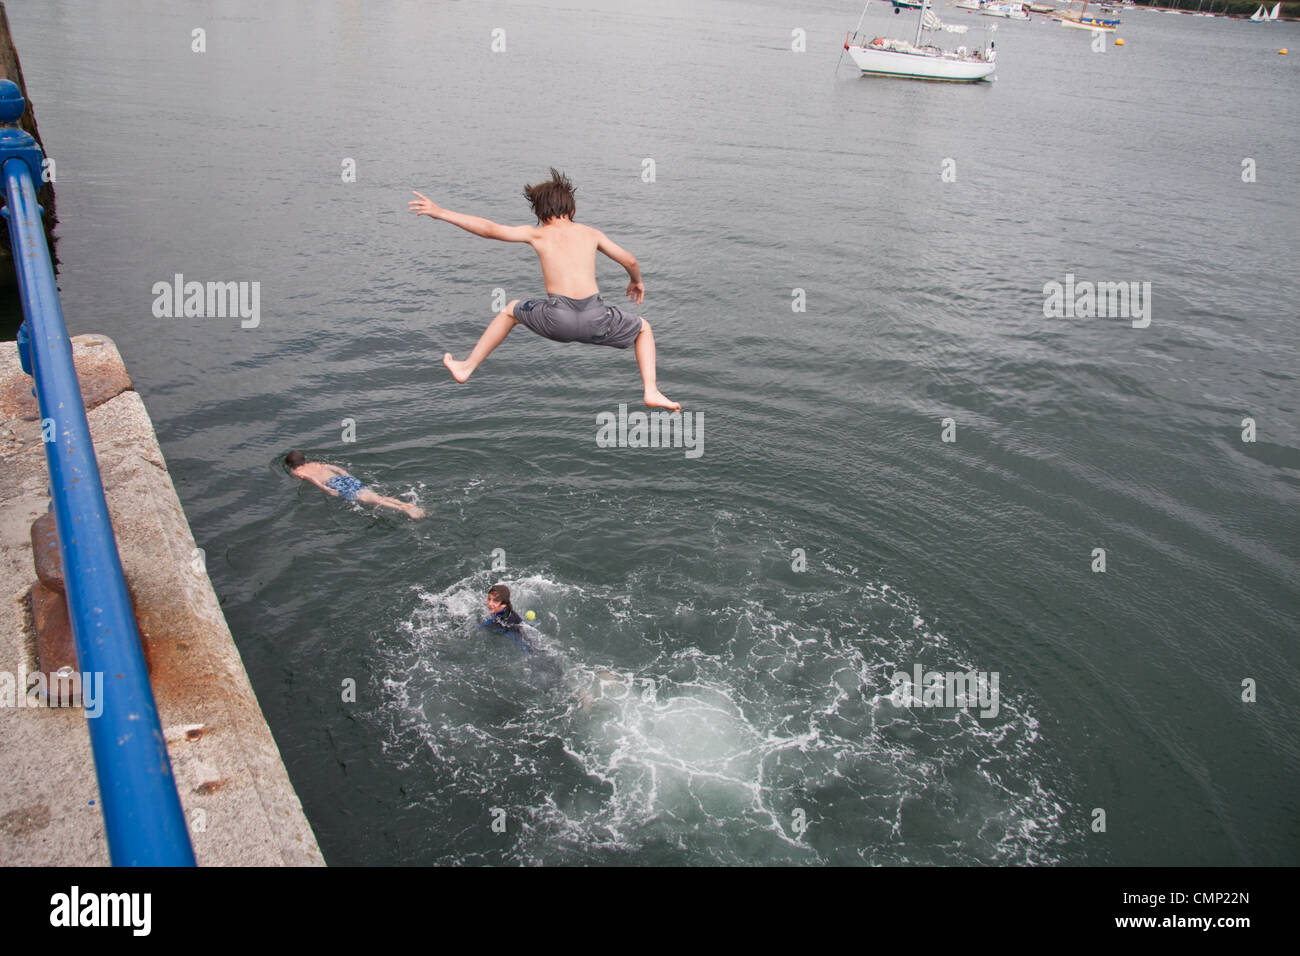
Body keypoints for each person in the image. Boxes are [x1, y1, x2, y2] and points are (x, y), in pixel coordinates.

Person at [409, 168, 680, 412]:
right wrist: (636, 281)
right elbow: (630, 260)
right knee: (643, 328)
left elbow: (489, 230)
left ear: (539, 214)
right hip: (596, 318)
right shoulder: (591, 233)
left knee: (509, 310)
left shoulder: (537, 234)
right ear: (572, 211)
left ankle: (466, 367)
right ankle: (651, 389)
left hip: (557, 320)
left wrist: (440, 212)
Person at [285, 451, 425, 518]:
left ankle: (404, 509)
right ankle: (403, 504)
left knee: (366, 499)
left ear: (291, 465)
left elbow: (311, 478)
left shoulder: (298, 472)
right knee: (374, 496)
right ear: (304, 459)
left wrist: (325, 488)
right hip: (344, 479)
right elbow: (336, 468)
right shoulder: (315, 463)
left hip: (333, 484)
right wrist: (347, 476)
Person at [480, 584, 531, 652]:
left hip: (526, 650)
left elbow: (481, 627)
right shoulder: (510, 612)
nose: (490, 603)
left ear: (504, 604)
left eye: (495, 601)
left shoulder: (499, 620)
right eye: (489, 599)